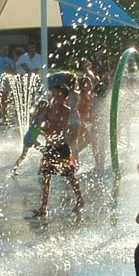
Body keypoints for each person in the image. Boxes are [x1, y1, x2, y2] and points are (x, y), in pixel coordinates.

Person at [33, 85, 84, 217]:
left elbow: (60, 128)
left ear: (65, 98)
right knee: (45, 176)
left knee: (70, 175)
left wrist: (46, 127)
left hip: (61, 147)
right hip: (49, 146)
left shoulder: (66, 111)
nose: (55, 99)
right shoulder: (46, 110)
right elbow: (37, 125)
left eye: (59, 96)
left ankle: (80, 200)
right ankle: (43, 207)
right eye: (53, 95)